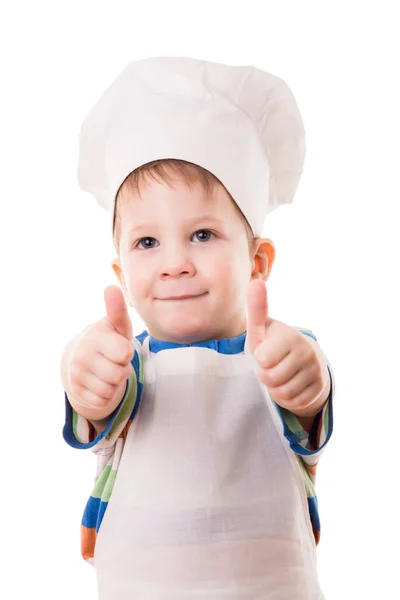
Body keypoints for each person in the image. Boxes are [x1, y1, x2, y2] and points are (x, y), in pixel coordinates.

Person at [61, 57, 334, 599]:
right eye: (147, 242)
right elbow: (96, 412)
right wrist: (84, 378)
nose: (175, 263)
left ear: (257, 262)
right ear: (121, 272)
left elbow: (308, 409)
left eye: (203, 235)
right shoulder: (125, 365)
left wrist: (308, 381)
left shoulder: (278, 355)